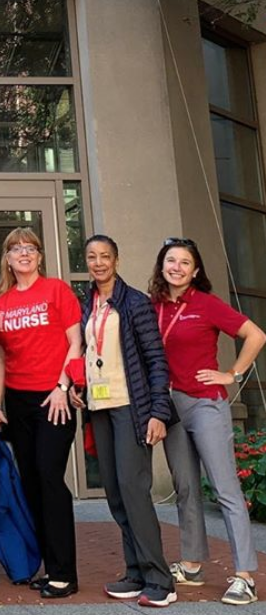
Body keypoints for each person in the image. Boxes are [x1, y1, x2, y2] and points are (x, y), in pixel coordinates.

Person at [150, 237, 265, 606]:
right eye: (172, 261)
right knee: (185, 488)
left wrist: (231, 373)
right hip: (169, 406)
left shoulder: (206, 304)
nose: (178, 268)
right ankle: (192, 564)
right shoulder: (153, 306)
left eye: (185, 263)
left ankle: (245, 575)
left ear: (195, 270)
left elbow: (256, 335)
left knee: (225, 489)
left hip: (204, 404)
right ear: (162, 265)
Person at [74, 235, 175, 607]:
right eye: (91, 257)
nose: (98, 262)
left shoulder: (135, 303)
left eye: (105, 256)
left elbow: (156, 360)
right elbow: (90, 353)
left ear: (116, 260)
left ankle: (160, 580)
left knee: (134, 492)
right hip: (100, 408)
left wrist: (158, 413)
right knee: (115, 493)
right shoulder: (89, 302)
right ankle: (134, 572)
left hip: (132, 408)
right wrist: (80, 388)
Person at [0, 228, 82, 598]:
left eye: (30, 248)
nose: (24, 254)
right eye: (16, 249)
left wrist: (62, 387)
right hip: (18, 401)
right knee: (30, 485)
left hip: (53, 399)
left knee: (49, 478)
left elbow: (75, 341)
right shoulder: (2, 302)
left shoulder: (57, 290)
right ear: (8, 260)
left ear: (40, 256)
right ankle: (48, 565)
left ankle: (65, 573)